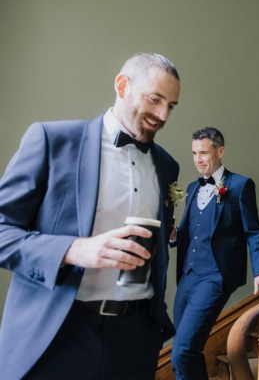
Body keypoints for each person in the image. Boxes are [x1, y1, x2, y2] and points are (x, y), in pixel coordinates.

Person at [0, 53, 181, 379]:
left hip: (136, 339)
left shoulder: (168, 166)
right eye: (155, 99)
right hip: (59, 333)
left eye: (171, 106)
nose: (163, 114)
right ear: (122, 85)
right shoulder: (52, 140)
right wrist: (73, 250)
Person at [171, 127, 259, 380]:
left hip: (214, 276)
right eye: (194, 153)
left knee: (182, 352)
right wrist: (173, 234)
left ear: (220, 151)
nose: (198, 159)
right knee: (188, 348)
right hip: (187, 277)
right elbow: (192, 231)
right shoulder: (191, 188)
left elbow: (253, 232)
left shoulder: (240, 186)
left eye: (203, 152)